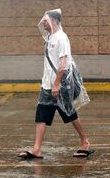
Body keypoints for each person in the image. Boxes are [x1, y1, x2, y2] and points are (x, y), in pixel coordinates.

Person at [17, 9, 94, 159]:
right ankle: (36, 149)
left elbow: (63, 63)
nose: (43, 22)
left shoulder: (61, 38)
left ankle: (85, 142)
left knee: (69, 113)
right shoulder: (50, 38)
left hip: (60, 85)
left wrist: (57, 84)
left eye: (46, 20)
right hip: (47, 85)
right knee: (41, 115)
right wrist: (46, 82)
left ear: (54, 21)